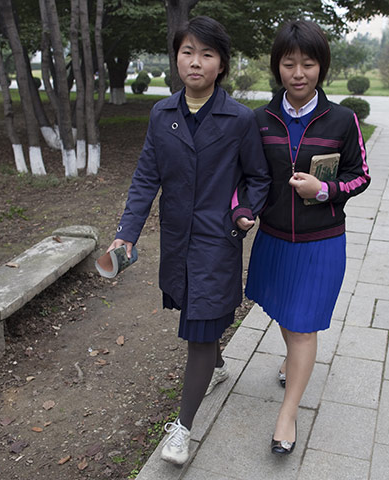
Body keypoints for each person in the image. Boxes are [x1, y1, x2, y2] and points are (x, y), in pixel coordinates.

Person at [106, 16, 270, 465]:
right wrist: (126, 234)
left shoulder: (238, 119)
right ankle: (217, 368)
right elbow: (145, 177)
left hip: (218, 243)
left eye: (207, 54)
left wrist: (244, 212)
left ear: (222, 65)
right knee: (199, 316)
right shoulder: (163, 114)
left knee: (199, 328)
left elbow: (258, 177)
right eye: (187, 52)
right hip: (178, 242)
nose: (195, 62)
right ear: (175, 57)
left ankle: (182, 430)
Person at [245, 20, 371, 455]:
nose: (299, 73)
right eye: (289, 63)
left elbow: (361, 176)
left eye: (309, 64)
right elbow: (250, 177)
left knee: (302, 325)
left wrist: (325, 191)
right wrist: (241, 210)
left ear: (322, 67)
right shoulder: (260, 121)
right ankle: (290, 363)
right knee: (285, 314)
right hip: (275, 238)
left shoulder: (342, 120)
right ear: (277, 67)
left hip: (322, 243)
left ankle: (287, 414)